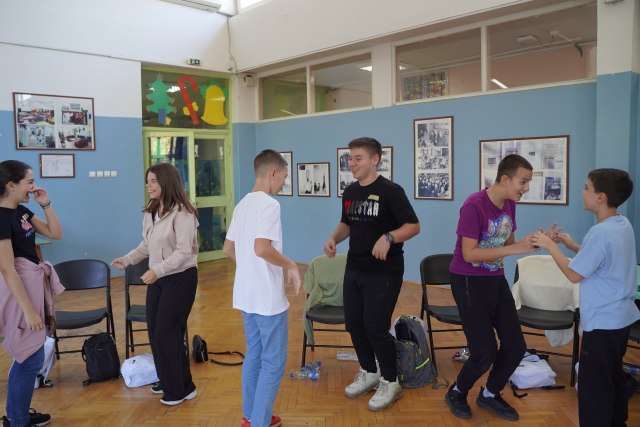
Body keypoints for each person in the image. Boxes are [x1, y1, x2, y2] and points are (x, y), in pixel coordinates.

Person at [532, 168, 640, 427]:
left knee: (594, 387)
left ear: (601, 197)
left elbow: (573, 274)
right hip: (621, 319)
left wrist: (550, 246)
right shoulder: (621, 224)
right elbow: (603, 259)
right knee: (612, 376)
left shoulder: (600, 233)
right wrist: (573, 246)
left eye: (586, 188)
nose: (582, 192)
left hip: (603, 323)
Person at [446, 154, 548, 422]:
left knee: (515, 346)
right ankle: (457, 391)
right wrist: (515, 249)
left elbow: (508, 242)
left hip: (495, 279)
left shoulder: (509, 204)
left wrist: (531, 242)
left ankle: (490, 393)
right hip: (468, 280)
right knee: (484, 351)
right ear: (505, 179)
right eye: (523, 182)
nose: (526, 188)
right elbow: (469, 254)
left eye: (528, 182)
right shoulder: (474, 205)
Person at [324, 137, 420, 412]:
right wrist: (333, 238)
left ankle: (391, 381)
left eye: (358, 158)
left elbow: (413, 226)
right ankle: (370, 371)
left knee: (376, 327)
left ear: (375, 159)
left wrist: (389, 237)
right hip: (355, 267)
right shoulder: (350, 191)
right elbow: (347, 223)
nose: (351, 163)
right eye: (350, 158)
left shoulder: (391, 191)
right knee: (354, 324)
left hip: (384, 271)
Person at [223, 149, 301, 427]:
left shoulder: (242, 204)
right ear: (273, 173)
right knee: (273, 362)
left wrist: (249, 269)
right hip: (267, 299)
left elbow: (228, 248)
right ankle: (259, 422)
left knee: (254, 356)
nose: (284, 182)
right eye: (284, 177)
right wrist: (291, 265)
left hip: (246, 295)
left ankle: (252, 417)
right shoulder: (270, 205)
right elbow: (261, 248)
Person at [112, 162, 199, 406]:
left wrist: (156, 271)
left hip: (180, 278)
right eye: (147, 181)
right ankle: (172, 380)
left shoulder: (183, 213)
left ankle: (178, 390)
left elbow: (184, 252)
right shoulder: (151, 212)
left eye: (153, 181)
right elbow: (146, 245)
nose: (148, 186)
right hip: (158, 278)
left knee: (167, 332)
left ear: (166, 182)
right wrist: (127, 260)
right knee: (156, 332)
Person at [0, 160, 63, 427]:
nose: (33, 186)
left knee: (30, 354)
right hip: (17, 292)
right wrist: (28, 310)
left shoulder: (21, 211)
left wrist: (45, 204)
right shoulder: (1, 218)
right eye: (29, 182)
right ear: (11, 185)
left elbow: (55, 233)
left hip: (30, 286)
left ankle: (18, 416)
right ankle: (17, 420)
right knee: (29, 356)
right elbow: (7, 268)